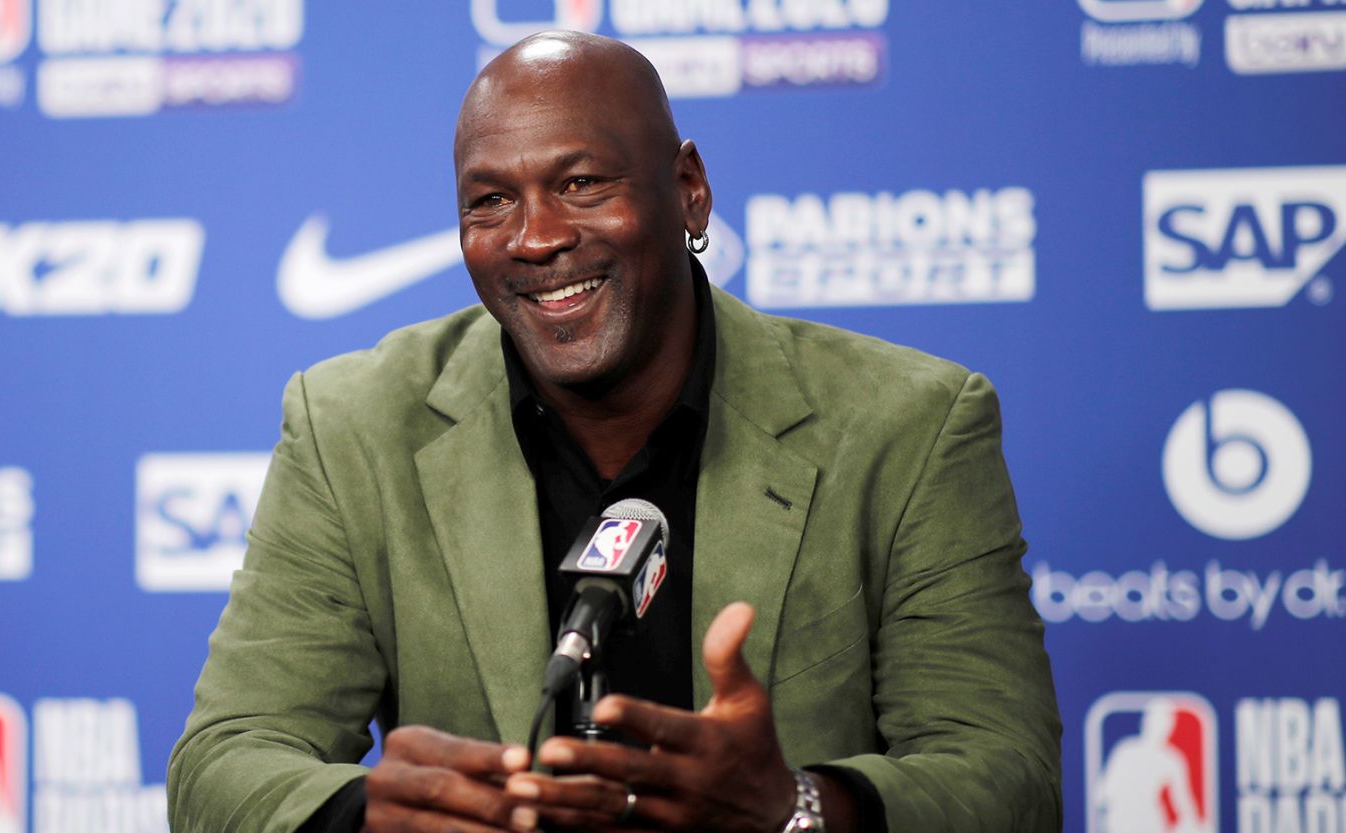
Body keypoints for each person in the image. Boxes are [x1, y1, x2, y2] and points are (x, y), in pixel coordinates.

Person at [167, 31, 1062, 833]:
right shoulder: (352, 424)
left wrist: (795, 806)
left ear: (689, 191)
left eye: (582, 182)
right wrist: (368, 818)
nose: (535, 236)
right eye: (489, 201)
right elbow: (225, 760)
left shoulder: (910, 425)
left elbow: (1006, 777)